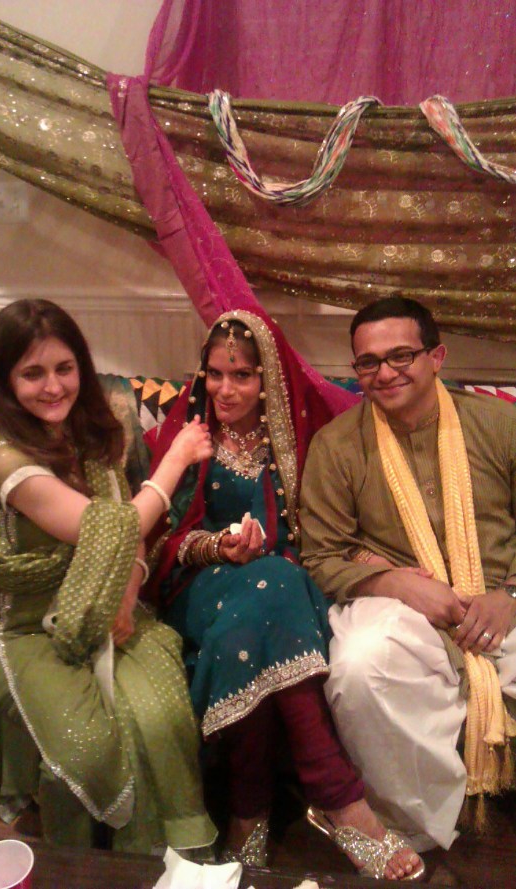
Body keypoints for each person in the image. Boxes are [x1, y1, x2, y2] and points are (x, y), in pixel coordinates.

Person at [148, 308, 424, 880]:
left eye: (242, 375)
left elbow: (329, 524)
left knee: (271, 589)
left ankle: (249, 811)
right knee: (270, 586)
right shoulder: (187, 436)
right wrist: (216, 549)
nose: (225, 389)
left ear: (267, 377)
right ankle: (339, 798)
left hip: (286, 592)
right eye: (216, 374)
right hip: (201, 590)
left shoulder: (298, 436)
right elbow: (156, 541)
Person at [0, 298, 218, 854]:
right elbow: (112, 528)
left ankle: (169, 858)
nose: (53, 387)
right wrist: (174, 460)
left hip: (109, 604)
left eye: (64, 368)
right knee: (88, 750)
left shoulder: (92, 433)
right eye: (32, 373)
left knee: (160, 715)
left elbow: (130, 547)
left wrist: (126, 594)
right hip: (34, 630)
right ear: (4, 382)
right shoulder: (7, 462)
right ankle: (85, 863)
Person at [299, 296, 516, 854]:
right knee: (361, 666)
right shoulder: (337, 445)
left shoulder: (499, 423)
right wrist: (397, 583)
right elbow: (322, 556)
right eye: (368, 362)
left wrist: (508, 594)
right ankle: (415, 831)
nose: (385, 373)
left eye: (401, 356)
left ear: (436, 356)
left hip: (504, 595)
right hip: (402, 606)